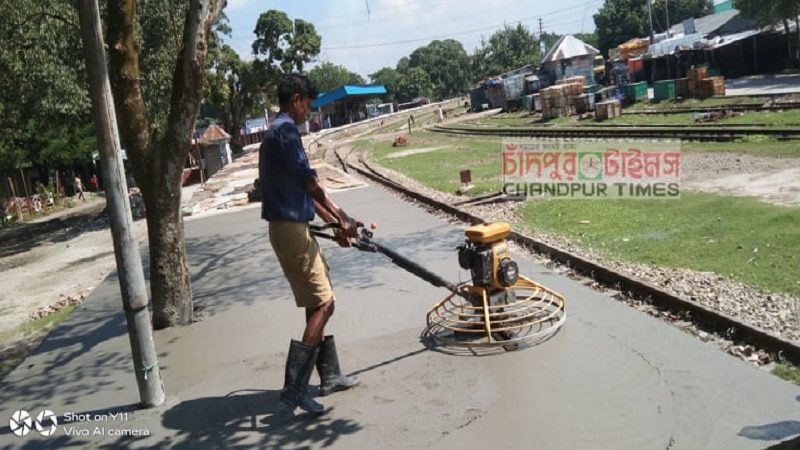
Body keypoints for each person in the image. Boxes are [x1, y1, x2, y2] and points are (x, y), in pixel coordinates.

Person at [260, 73, 360, 415]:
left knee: (313, 300)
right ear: (297, 100)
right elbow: (312, 184)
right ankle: (295, 388)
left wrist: (338, 221)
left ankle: (329, 375)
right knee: (325, 304)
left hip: (288, 227)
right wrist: (341, 217)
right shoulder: (286, 131)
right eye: (308, 104)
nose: (309, 111)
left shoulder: (277, 132)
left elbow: (303, 191)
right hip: (290, 230)